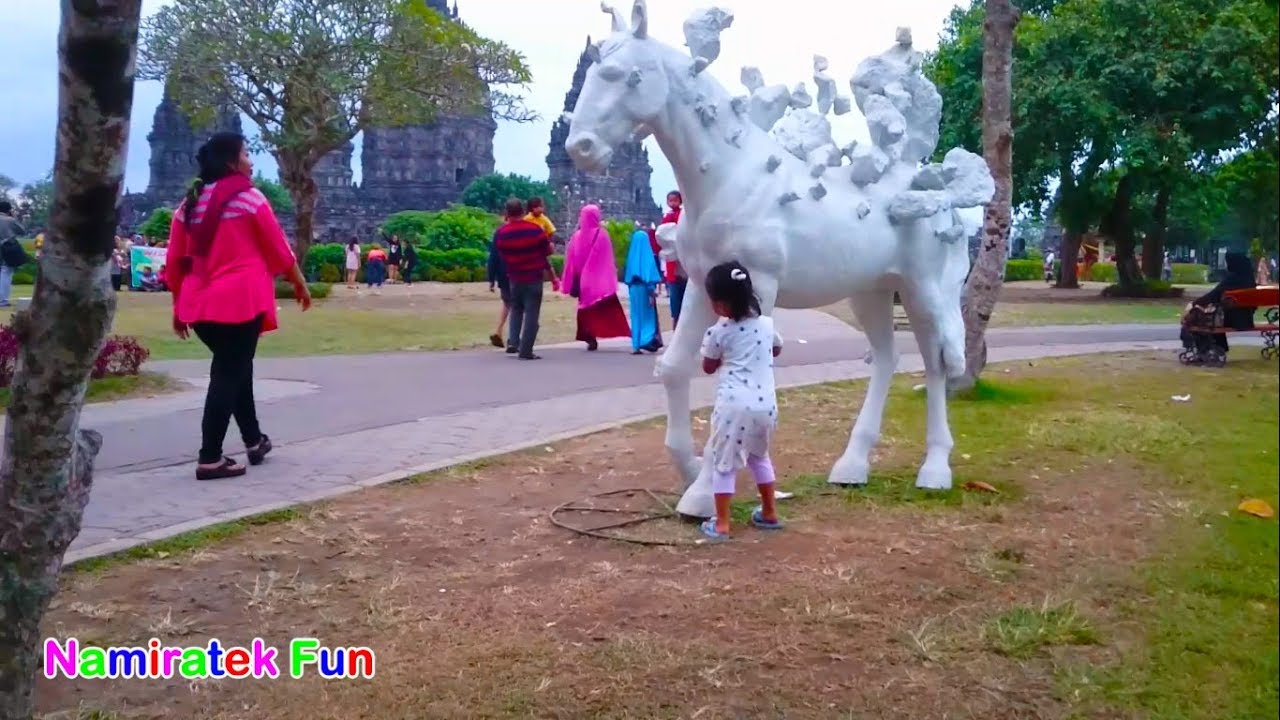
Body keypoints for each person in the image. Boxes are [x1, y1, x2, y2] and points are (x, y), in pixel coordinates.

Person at [165, 131, 312, 481]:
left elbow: (175, 263)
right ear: (232, 161)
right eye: (246, 154)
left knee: (235, 369)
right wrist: (300, 283)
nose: (250, 160)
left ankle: (254, 439)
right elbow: (278, 249)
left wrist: (177, 306)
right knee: (228, 374)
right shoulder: (250, 200)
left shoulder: (189, 205)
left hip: (200, 307)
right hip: (238, 304)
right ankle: (210, 458)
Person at [698, 261, 784, 541]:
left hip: (734, 407)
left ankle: (721, 523)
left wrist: (725, 357)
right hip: (766, 405)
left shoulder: (719, 331)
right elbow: (778, 347)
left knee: (724, 461)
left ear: (721, 305)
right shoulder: (767, 324)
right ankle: (769, 512)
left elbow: (708, 367)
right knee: (760, 456)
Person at [561, 204, 630, 352]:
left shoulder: (576, 236)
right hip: (599, 283)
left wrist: (572, 279)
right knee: (604, 310)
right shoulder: (602, 234)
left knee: (585, 310)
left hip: (582, 283)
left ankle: (589, 336)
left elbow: (570, 261)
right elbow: (605, 260)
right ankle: (605, 332)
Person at [494, 198, 557, 359]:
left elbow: (501, 254)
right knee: (531, 313)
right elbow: (548, 251)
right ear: (523, 211)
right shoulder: (535, 230)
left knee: (516, 309)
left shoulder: (502, 234)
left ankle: (513, 342)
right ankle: (526, 350)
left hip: (514, 276)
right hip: (533, 276)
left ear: (507, 214)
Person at [1180, 251, 1255, 364]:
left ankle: (1204, 351)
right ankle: (1218, 348)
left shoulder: (1232, 278)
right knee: (1214, 318)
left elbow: (1213, 295)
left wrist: (1194, 304)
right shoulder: (1249, 279)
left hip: (1231, 319)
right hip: (1246, 319)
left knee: (1198, 320)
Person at [623, 227, 664, 354]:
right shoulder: (647, 256)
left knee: (635, 316)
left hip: (633, 289)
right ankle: (645, 340)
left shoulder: (632, 255)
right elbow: (649, 275)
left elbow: (628, 275)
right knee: (647, 316)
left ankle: (635, 345)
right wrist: (651, 293)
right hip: (645, 289)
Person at [661, 191, 687, 326]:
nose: (672, 203)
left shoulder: (684, 216)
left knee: (684, 300)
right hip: (673, 265)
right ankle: (676, 324)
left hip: (684, 262)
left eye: (675, 200)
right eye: (670, 200)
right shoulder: (667, 217)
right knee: (675, 300)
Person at [0, 200, 30, 308]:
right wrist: (16, 218)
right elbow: (22, 231)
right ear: (8, 210)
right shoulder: (9, 220)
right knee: (6, 273)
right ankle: (2, 300)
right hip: (6, 247)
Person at [486, 228, 511, 348]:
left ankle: (499, 331)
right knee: (519, 307)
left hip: (503, 274)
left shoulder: (500, 232)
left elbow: (493, 256)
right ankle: (514, 338)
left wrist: (491, 278)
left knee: (507, 303)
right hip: (520, 274)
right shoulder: (529, 228)